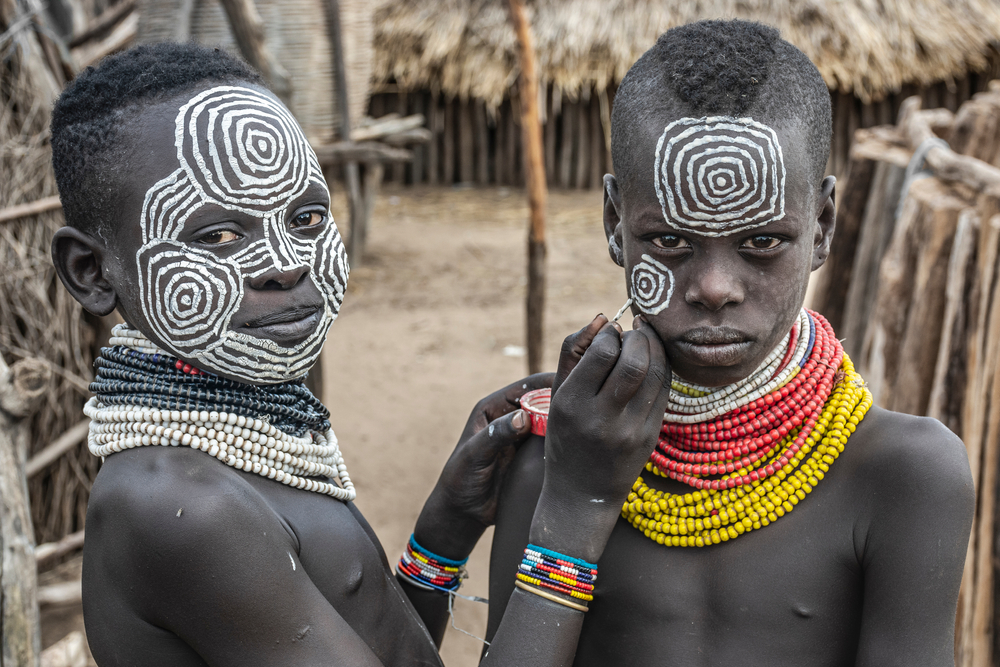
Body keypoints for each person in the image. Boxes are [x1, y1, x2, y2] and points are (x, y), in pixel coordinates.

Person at [48, 42, 673, 667]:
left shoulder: (239, 443)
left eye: (307, 217)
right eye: (219, 235)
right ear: (91, 272)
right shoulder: (178, 509)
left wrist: (444, 528)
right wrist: (575, 507)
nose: (287, 264)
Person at [486, 19, 975, 666]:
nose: (714, 287)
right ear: (614, 223)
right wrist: (578, 505)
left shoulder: (904, 475)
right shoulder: (558, 464)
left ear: (823, 226)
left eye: (762, 241)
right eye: (670, 241)